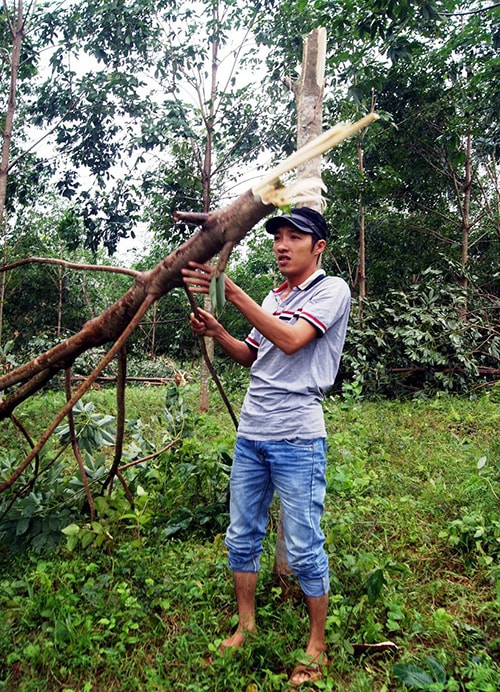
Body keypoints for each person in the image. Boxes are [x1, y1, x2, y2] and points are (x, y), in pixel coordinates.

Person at [182, 207, 351, 687]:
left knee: (302, 546)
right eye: (277, 236)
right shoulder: (273, 296)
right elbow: (253, 353)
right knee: (241, 534)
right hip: (252, 433)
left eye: (293, 236)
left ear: (317, 246)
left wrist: (229, 291)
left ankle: (317, 644)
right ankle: (246, 624)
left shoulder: (330, 290)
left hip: (298, 436)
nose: (281, 244)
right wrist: (218, 332)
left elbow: (294, 340)